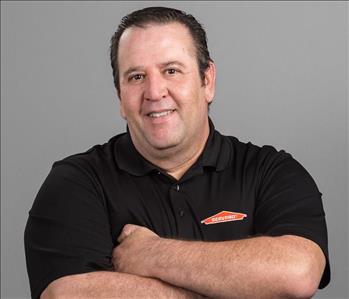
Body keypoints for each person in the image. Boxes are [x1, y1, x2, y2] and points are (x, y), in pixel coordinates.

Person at [24, 6, 330, 299]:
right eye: (136, 77)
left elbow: (298, 273)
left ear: (207, 81)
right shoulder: (77, 183)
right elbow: (66, 294)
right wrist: (239, 287)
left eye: (171, 70)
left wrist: (151, 255)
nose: (155, 93)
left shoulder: (270, 172)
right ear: (120, 95)